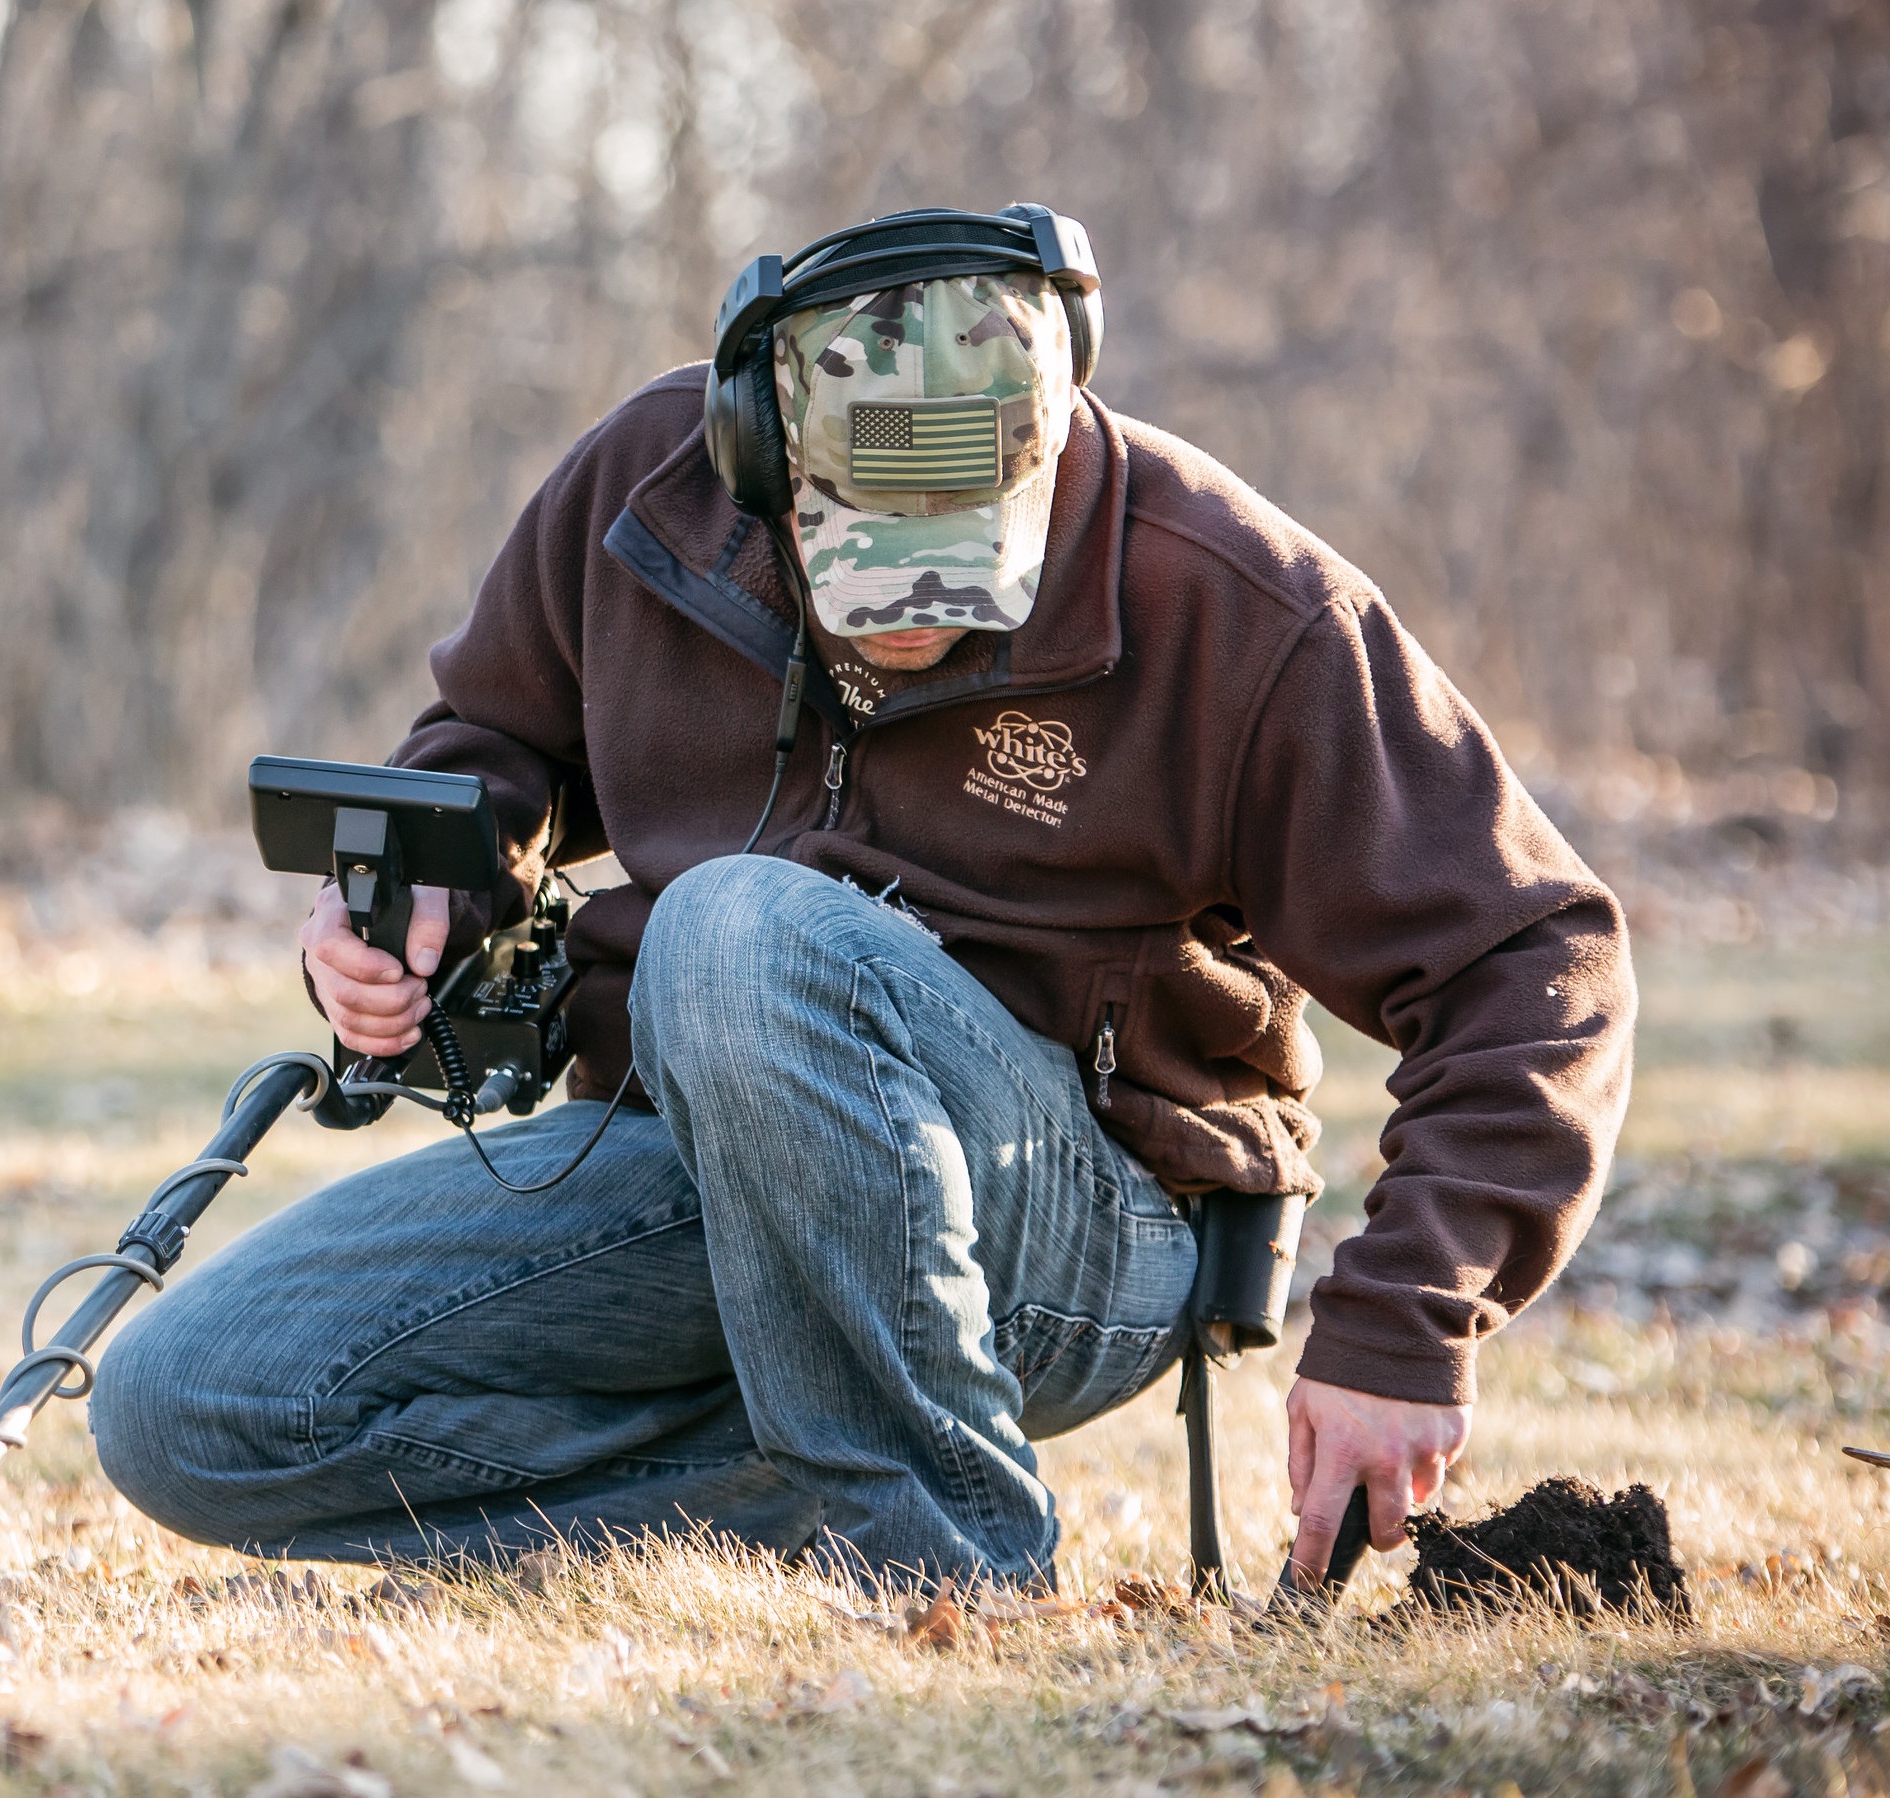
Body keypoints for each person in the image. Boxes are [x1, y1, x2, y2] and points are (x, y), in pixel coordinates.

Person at [90, 205, 1636, 1595]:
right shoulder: (647, 493)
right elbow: (493, 742)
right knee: (190, 1407)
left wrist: (1401, 1322)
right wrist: (409, 899)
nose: (912, 622)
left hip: (1088, 1213)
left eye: (962, 569)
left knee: (733, 925)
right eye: (866, 562)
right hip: (696, 1150)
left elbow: (1530, 953)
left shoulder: (1231, 599)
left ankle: (938, 1564)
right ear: (759, 457)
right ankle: (757, 1533)